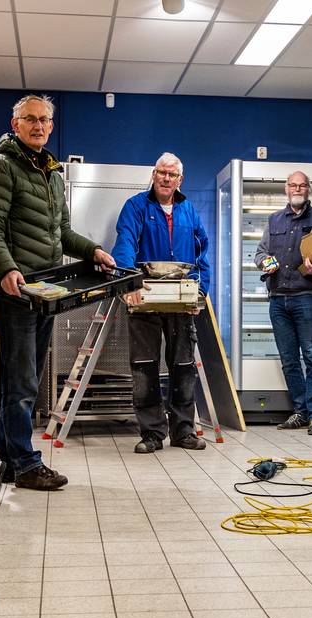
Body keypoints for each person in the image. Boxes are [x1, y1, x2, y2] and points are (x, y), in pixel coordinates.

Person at [0, 94, 116, 490]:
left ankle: (9, 458)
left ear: (51, 126)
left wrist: (93, 250)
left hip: (46, 290)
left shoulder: (52, 175)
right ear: (16, 124)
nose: (38, 126)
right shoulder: (1, 167)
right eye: (30, 119)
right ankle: (25, 463)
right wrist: (6, 269)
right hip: (18, 291)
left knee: (22, 378)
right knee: (23, 381)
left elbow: (63, 233)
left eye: (44, 120)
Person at [112, 152, 211, 454]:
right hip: (145, 295)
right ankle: (152, 433)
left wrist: (200, 292)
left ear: (181, 180)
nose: (166, 178)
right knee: (144, 366)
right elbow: (125, 243)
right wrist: (129, 282)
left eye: (172, 174)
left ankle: (183, 430)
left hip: (181, 299)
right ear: (154, 175)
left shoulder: (188, 210)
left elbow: (202, 253)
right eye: (161, 173)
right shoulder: (136, 207)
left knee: (183, 366)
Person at [252, 171, 312, 436]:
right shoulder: (274, 220)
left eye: (302, 185)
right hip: (278, 299)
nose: (297, 189)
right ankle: (300, 411)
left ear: (309, 189)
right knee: (289, 360)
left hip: (306, 298)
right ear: (286, 189)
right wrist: (264, 263)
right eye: (293, 185)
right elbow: (260, 253)